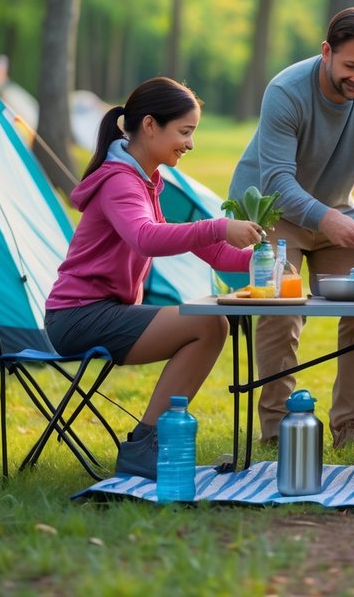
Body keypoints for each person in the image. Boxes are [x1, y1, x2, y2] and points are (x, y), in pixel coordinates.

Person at [45, 77, 262, 479]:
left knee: (212, 323)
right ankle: (146, 445)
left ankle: (148, 443)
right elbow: (146, 238)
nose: (190, 144)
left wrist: (258, 261)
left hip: (102, 312)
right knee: (209, 323)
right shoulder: (119, 181)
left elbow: (202, 248)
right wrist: (216, 227)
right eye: (185, 132)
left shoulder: (143, 180)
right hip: (78, 316)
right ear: (149, 125)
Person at [230, 6, 354, 452]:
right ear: (326, 52)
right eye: (351, 65)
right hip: (268, 211)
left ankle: (352, 429)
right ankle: (277, 432)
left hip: (336, 212)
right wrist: (325, 218)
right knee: (279, 307)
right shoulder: (286, 91)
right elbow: (276, 180)